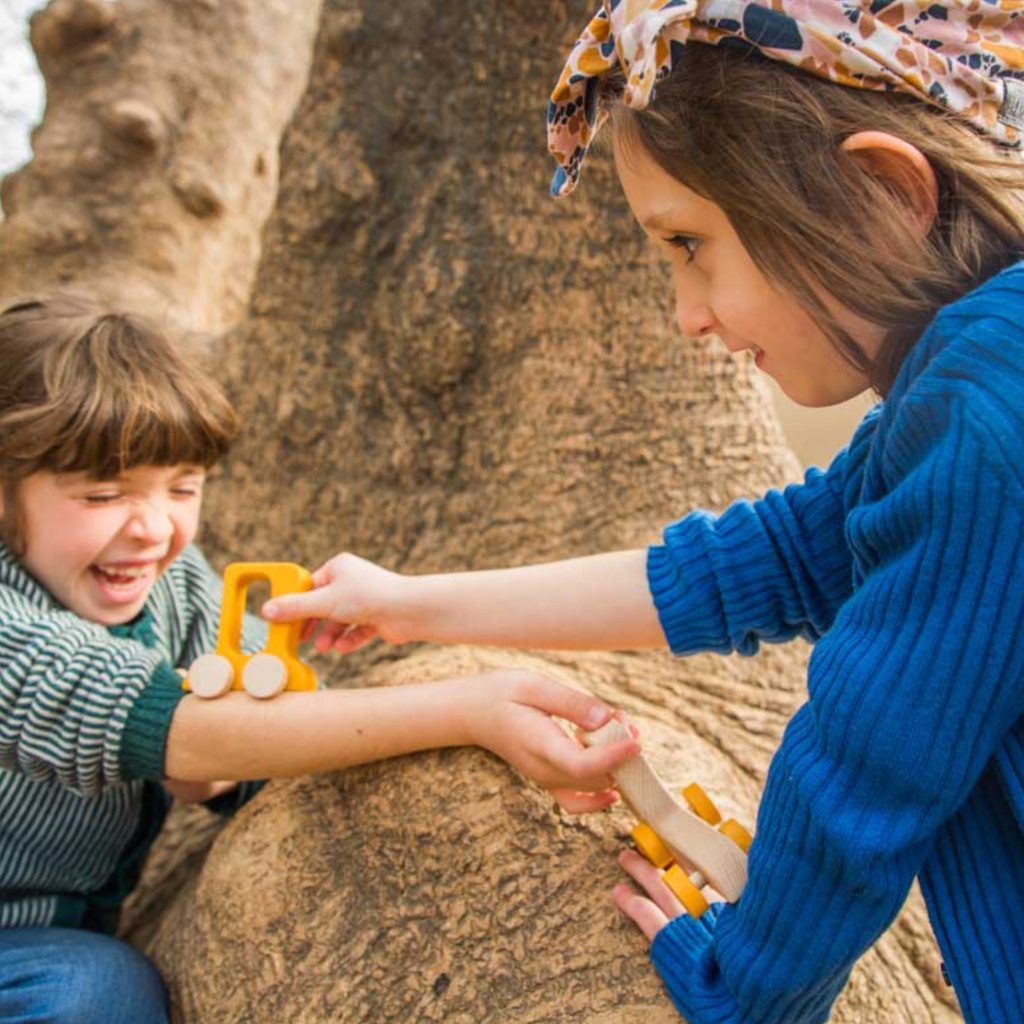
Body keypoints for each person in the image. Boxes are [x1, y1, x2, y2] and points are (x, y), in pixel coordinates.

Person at [261, 3, 1024, 1022]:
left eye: (689, 244)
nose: (685, 313)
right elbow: (765, 562)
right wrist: (407, 604)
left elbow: (864, 774)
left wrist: (742, 981)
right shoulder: (972, 381)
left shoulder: (982, 416)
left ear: (881, 191)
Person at [0, 294, 638, 1024]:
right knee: (94, 992)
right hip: (36, 951)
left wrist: (222, 778)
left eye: (182, 488)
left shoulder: (174, 587)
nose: (152, 528)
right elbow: (155, 719)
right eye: (104, 494)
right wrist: (466, 709)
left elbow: (275, 731)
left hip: (50, 936)